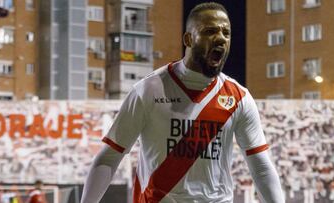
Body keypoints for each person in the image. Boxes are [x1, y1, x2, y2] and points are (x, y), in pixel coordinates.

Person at [81, 2, 284, 202]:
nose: (221, 38)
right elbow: (109, 158)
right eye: (210, 31)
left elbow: (261, 167)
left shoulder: (239, 98)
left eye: (226, 33)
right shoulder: (149, 90)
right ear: (188, 39)